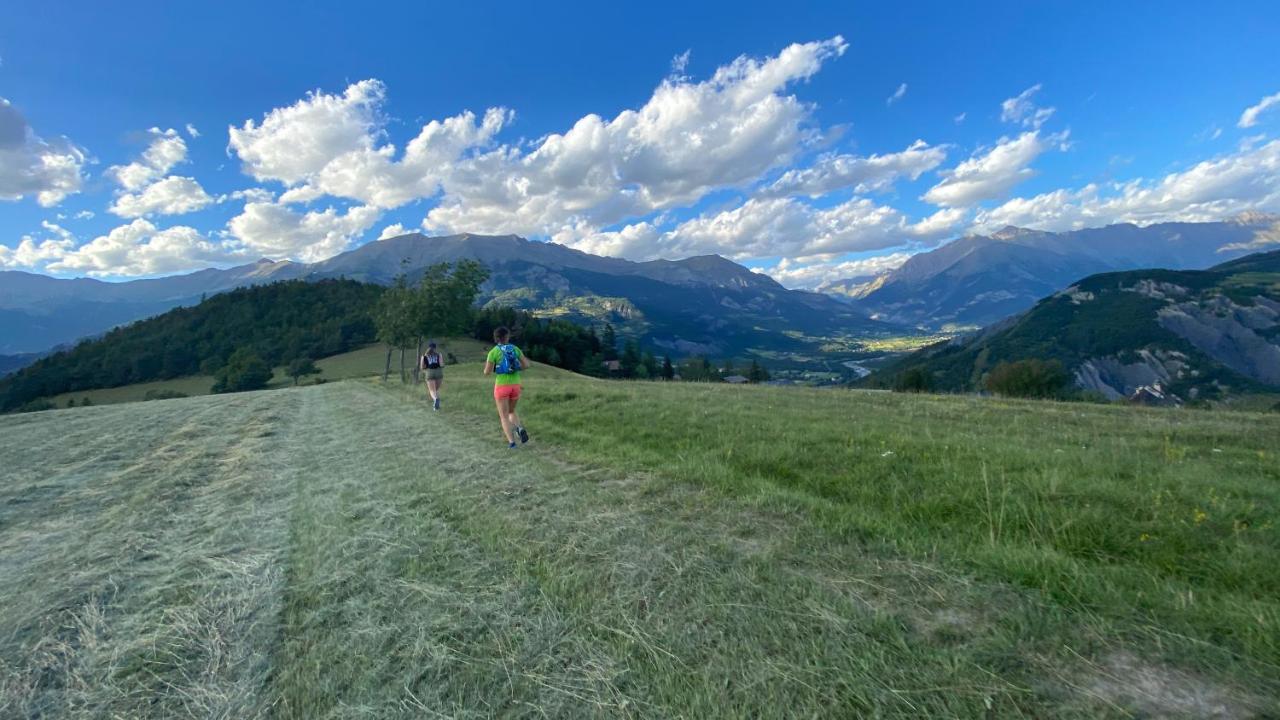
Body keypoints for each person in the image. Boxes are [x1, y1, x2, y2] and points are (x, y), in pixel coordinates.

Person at [483, 326, 530, 449]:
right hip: (516, 385)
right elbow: (526, 365)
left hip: (502, 386)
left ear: (496, 338)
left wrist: (497, 368)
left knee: (503, 416)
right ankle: (519, 428)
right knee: (511, 411)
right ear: (507, 336)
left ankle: (512, 443)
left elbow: (486, 372)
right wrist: (516, 368)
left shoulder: (493, 352)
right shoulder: (515, 349)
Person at [420, 341, 444, 410]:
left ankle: (436, 400)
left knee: (432, 390)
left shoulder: (424, 356)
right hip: (439, 372)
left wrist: (425, 368)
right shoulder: (439, 355)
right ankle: (436, 405)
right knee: (435, 390)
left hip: (429, 372)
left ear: (428, 347)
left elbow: (422, 367)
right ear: (435, 348)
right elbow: (441, 364)